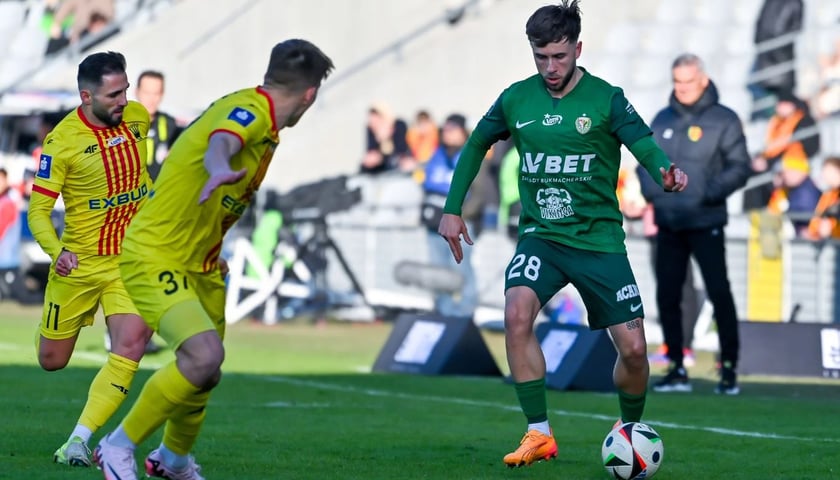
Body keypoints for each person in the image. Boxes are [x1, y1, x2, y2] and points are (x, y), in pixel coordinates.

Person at [437, 2, 688, 468]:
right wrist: (452, 209)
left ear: (578, 49)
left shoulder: (606, 98)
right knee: (516, 314)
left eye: (559, 56)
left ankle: (629, 428)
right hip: (542, 238)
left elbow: (644, 144)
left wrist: (664, 170)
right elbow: (476, 144)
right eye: (541, 57)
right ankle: (539, 433)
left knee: (635, 351)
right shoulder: (516, 99)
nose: (550, 67)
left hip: (599, 242)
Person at [93, 39, 334, 480]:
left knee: (206, 371)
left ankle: (173, 460)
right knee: (202, 356)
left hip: (201, 262)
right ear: (310, 95)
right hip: (156, 253)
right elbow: (224, 139)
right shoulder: (250, 110)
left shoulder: (260, 117)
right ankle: (117, 446)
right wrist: (219, 164)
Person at [27, 51, 153, 467]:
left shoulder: (138, 118)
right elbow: (38, 212)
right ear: (87, 96)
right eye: (114, 94)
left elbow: (142, 179)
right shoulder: (61, 142)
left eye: (125, 90)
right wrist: (57, 252)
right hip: (79, 264)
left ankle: (78, 441)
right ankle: (50, 329)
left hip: (130, 260)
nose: (124, 100)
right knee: (52, 360)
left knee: (131, 346)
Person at [639, 54, 752, 395]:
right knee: (668, 295)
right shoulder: (662, 118)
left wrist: (707, 193)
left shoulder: (724, 119)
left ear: (703, 80)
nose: (683, 87)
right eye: (677, 81)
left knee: (719, 291)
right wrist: (654, 194)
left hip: (706, 220)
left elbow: (740, 167)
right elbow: (644, 162)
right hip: (669, 221)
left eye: (688, 81)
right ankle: (676, 367)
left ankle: (728, 369)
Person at [421, 113, 479, 319]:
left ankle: (465, 312)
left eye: (452, 129)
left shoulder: (471, 155)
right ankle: (444, 311)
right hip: (434, 225)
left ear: (463, 132)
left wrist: (461, 216)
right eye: (445, 129)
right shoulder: (437, 155)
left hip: (459, 224)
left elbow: (479, 193)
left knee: (461, 268)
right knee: (439, 270)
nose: (447, 133)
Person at [745, 91, 820, 210]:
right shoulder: (777, 122)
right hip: (776, 163)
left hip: (793, 163)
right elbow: (770, 147)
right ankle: (755, 212)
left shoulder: (804, 122)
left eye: (783, 104)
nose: (779, 107)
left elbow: (800, 148)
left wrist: (770, 163)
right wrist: (762, 158)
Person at [135, 70, 182, 181]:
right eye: (147, 93)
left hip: (159, 188)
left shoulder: (170, 124)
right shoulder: (121, 122)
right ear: (137, 92)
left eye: (156, 93)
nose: (151, 99)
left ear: (162, 94)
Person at [767, 153, 821, 236]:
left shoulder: (806, 191)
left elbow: (802, 219)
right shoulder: (792, 189)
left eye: (788, 172)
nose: (785, 176)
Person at [360, 101, 412, 174]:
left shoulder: (399, 125)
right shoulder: (371, 129)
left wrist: (386, 137)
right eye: (371, 121)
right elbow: (371, 151)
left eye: (377, 120)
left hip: (399, 165)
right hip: (381, 169)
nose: (374, 124)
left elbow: (401, 150)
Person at [806, 156, 840, 240]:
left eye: (829, 171)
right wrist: (814, 232)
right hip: (829, 239)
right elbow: (819, 214)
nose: (825, 175)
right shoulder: (829, 194)